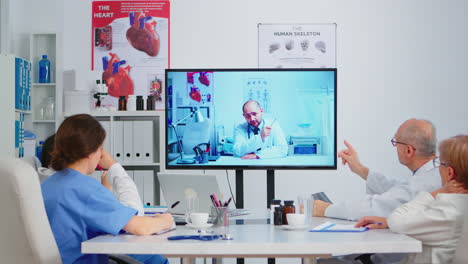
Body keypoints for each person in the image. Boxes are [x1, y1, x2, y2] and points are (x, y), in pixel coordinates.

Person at [41, 114, 173, 264]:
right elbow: (141, 228)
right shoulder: (87, 189)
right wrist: (166, 219)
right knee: (156, 260)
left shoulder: (46, 185)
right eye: (101, 149)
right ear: (91, 152)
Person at [356, 135, 468, 264]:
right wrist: (387, 221)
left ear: (449, 173)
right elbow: (423, 220)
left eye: (439, 163)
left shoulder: (449, 208)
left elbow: (396, 220)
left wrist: (434, 193)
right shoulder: (456, 205)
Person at [314, 119, 441, 220]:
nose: (395, 146)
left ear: (408, 150)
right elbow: (396, 188)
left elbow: (376, 207)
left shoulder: (422, 184)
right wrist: (360, 169)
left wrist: (327, 209)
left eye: (396, 142)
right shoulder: (433, 173)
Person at [37, 134, 145, 216]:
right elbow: (135, 215)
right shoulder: (81, 189)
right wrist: (114, 166)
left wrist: (104, 193)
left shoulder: (44, 183)